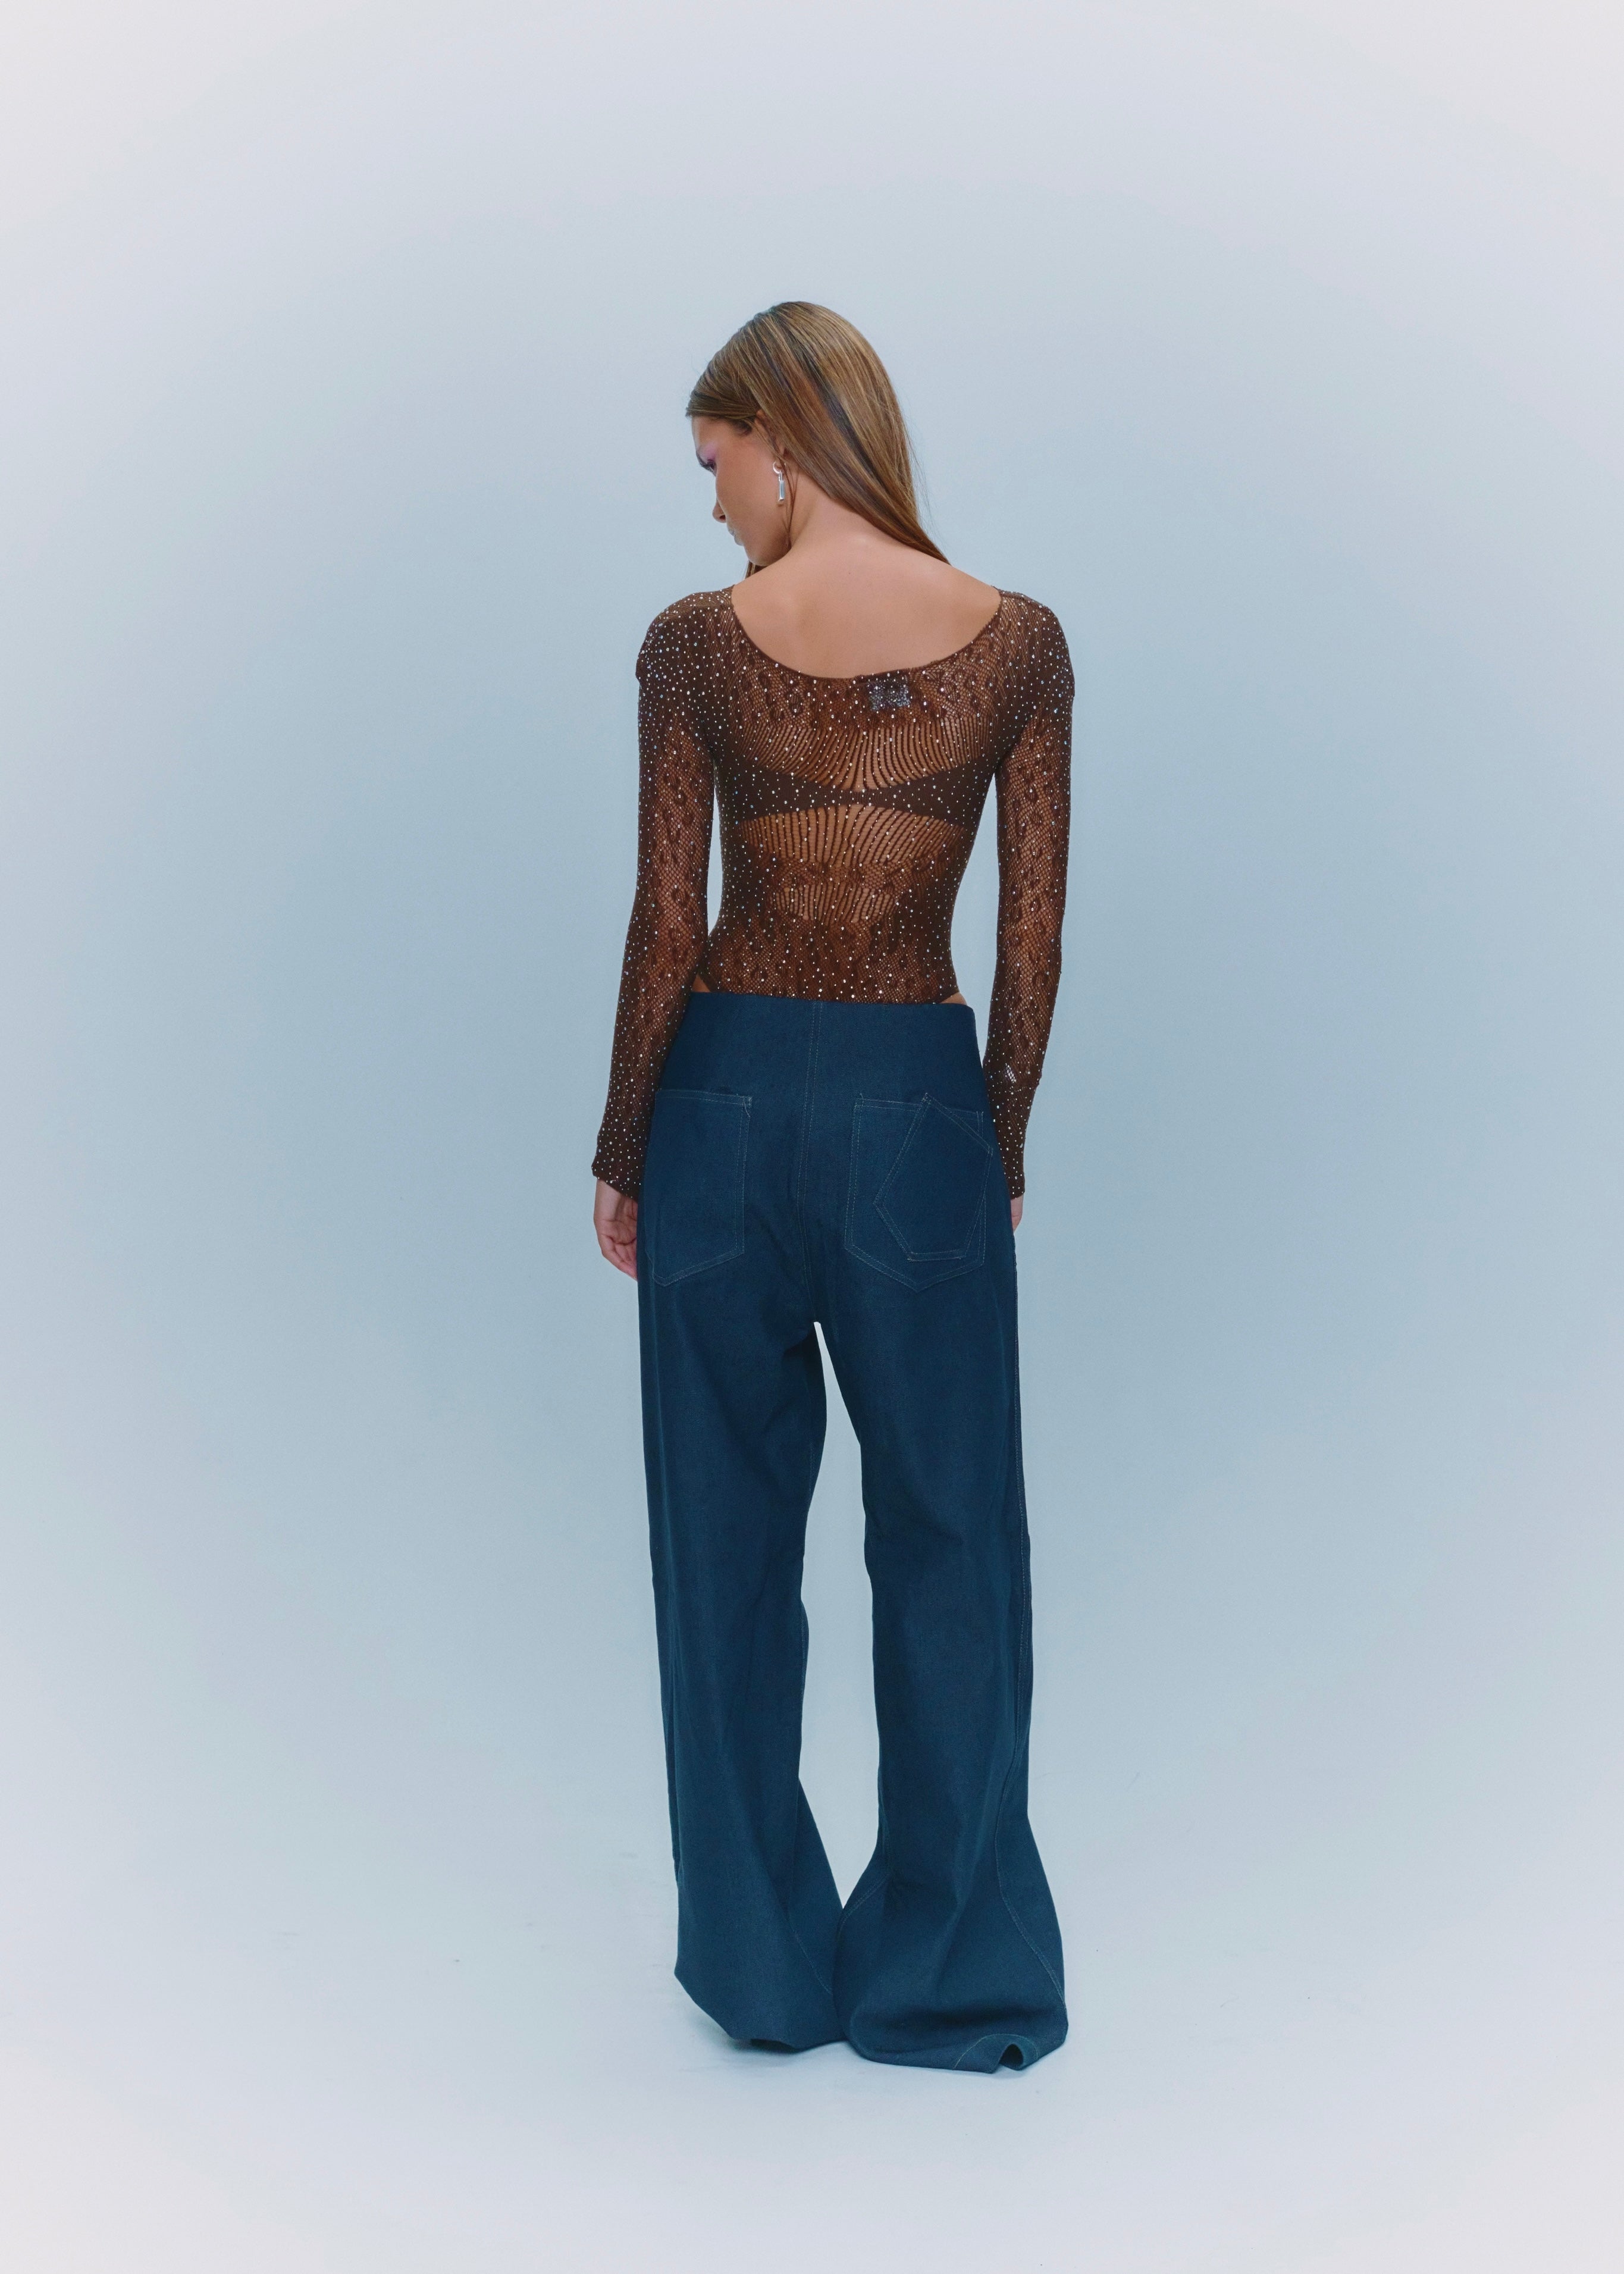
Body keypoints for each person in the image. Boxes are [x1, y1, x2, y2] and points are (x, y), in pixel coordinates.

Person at [590, 302, 1073, 2073]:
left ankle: (764, 1969)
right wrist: (991, 1139)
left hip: (719, 1105)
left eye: (715, 460)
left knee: (720, 1544)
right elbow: (1030, 936)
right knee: (953, 1536)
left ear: (783, 441)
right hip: (914, 1109)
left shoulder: (693, 645)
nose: (712, 500)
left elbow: (668, 919)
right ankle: (948, 1975)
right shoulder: (1017, 641)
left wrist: (624, 1150)